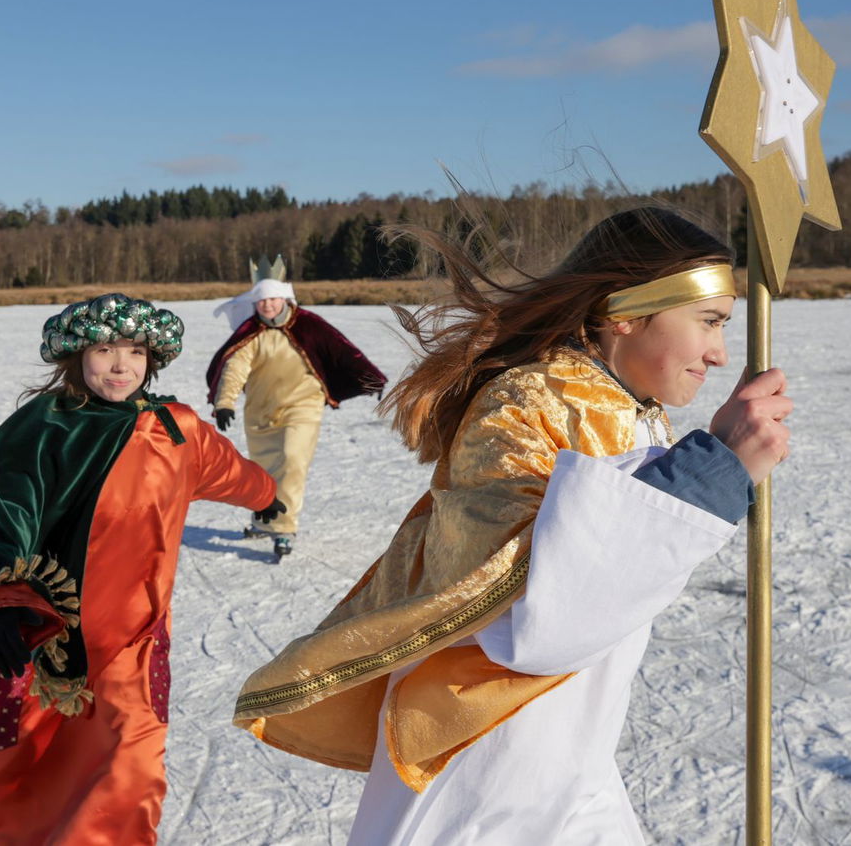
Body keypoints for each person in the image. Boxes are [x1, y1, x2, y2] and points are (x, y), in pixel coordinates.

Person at [232, 207, 791, 843]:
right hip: (486, 777)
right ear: (627, 314)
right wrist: (708, 475)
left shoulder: (632, 408)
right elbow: (533, 611)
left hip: (569, 767)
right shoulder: (526, 406)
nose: (720, 353)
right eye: (710, 322)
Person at [0, 293, 284, 845]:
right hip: (37, 636)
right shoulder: (43, 428)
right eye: (105, 349)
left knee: (126, 770)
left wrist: (264, 495)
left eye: (135, 351)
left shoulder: (175, 428)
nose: (121, 365)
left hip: (132, 643)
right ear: (75, 357)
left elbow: (227, 469)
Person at [206, 273, 387, 561]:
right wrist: (225, 402)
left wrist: (369, 378)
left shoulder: (308, 325)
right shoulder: (252, 333)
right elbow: (234, 368)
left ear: (285, 299)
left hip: (303, 407)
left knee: (292, 460)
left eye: (273, 299)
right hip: (261, 413)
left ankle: (285, 528)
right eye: (262, 300)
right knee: (263, 470)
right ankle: (263, 521)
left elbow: (341, 351)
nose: (267, 305)